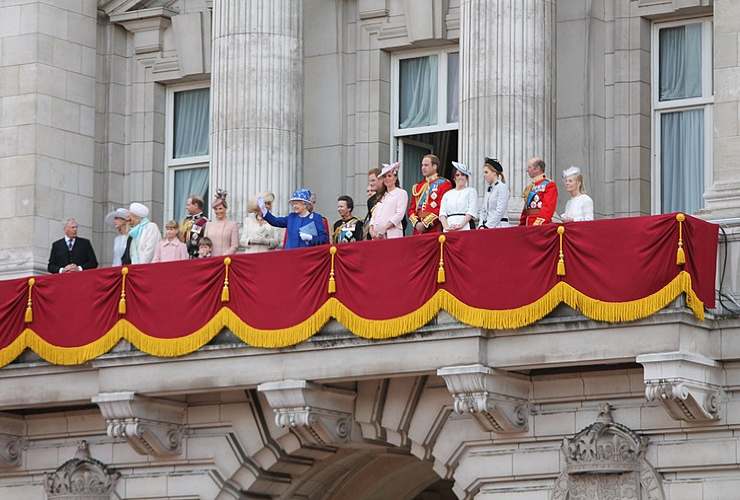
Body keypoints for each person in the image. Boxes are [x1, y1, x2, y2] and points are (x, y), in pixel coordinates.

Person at [260, 188, 329, 249]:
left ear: (305, 204)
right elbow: (275, 221)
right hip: (291, 256)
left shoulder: (316, 218)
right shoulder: (291, 217)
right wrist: (264, 210)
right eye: (293, 204)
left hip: (308, 257)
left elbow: (324, 239)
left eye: (296, 203)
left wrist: (311, 238)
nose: (294, 206)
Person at [408, 154, 453, 234]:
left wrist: (426, 223)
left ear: (435, 166)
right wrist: (416, 224)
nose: (423, 168)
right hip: (417, 230)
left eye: (426, 165)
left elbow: (442, 208)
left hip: (435, 228)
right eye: (422, 165)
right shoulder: (418, 186)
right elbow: (411, 209)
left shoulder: (444, 184)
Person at [369, 163, 408, 239]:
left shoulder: (401, 193)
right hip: (377, 237)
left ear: (395, 178)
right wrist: (371, 230)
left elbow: (399, 214)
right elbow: (374, 215)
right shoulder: (382, 195)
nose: (386, 178)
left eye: (389, 176)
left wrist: (384, 229)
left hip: (392, 234)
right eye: (384, 176)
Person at [439, 162, 477, 232]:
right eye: (457, 175)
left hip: (465, 226)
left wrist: (461, 225)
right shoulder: (447, 194)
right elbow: (442, 214)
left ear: (467, 178)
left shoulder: (471, 191)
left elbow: (471, 211)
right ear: (454, 178)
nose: (460, 177)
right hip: (448, 228)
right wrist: (446, 227)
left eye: (463, 175)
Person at [520, 157, 558, 226]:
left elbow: (548, 208)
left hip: (540, 225)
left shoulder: (549, 184)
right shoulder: (530, 187)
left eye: (529, 167)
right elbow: (526, 210)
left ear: (537, 169)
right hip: (527, 225)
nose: (527, 170)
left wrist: (537, 224)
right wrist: (521, 225)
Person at [204, 190, 239, 256]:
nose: (218, 211)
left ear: (225, 209)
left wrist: (224, 256)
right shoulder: (208, 224)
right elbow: (205, 243)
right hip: (211, 260)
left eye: (220, 208)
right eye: (216, 209)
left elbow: (235, 246)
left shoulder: (232, 225)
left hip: (226, 260)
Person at [479, 157, 510, 229]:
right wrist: (481, 225)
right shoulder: (489, 189)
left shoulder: (502, 187)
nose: (484, 175)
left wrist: (488, 226)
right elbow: (483, 210)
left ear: (494, 173)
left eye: (486, 172)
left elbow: (500, 211)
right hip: (487, 227)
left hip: (499, 226)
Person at [363, 167, 382, 240]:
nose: (370, 183)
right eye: (369, 181)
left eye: (373, 180)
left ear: (380, 180)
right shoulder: (370, 201)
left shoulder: (389, 195)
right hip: (374, 238)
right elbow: (371, 221)